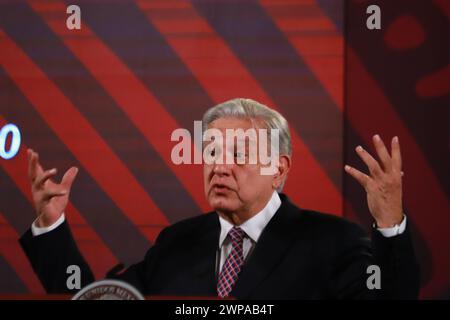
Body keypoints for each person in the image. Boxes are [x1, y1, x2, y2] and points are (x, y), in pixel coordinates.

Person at [20, 98, 419, 299]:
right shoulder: (176, 244)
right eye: (211, 153)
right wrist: (51, 225)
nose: (220, 167)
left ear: (278, 168)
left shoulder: (333, 242)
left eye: (238, 154)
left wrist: (389, 226)